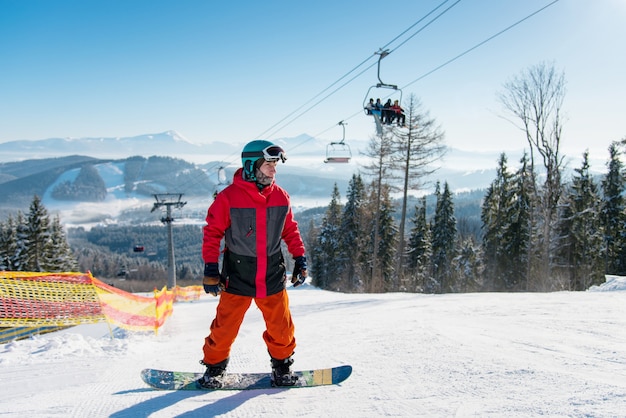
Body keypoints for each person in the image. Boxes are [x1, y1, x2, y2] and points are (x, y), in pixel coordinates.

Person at [198, 139, 308, 388]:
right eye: (269, 164)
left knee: (281, 326)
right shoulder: (228, 198)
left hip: (271, 272)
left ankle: (282, 368)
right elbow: (212, 232)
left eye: (275, 165)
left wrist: (300, 259)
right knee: (225, 327)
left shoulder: (281, 197)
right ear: (251, 166)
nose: (274, 170)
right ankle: (215, 369)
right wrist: (210, 268)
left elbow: (290, 230)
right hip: (238, 273)